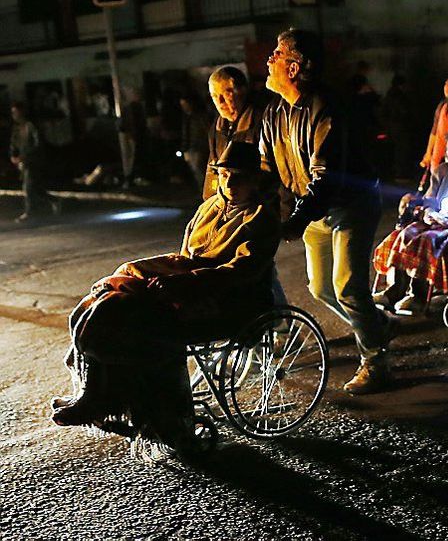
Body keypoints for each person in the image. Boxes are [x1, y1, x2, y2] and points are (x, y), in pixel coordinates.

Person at [52, 141, 280, 453]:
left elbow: (242, 271)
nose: (230, 183)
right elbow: (185, 256)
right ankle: (94, 393)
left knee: (145, 323)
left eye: (238, 177)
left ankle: (169, 421)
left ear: (255, 179)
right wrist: (144, 272)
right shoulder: (209, 207)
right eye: (225, 175)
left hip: (229, 299)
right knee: (103, 301)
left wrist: (184, 283)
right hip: (191, 286)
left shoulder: (261, 217)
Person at [260, 28, 393, 394]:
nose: (269, 59)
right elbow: (266, 171)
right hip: (314, 211)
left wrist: (293, 222)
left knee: (348, 286)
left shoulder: (325, 108)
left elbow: (326, 176)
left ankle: (376, 361)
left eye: (277, 53)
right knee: (320, 288)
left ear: (293, 67)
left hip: (351, 205)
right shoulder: (274, 114)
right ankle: (377, 324)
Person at [373, 127, 448, 313]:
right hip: (436, 220)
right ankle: (393, 291)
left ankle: (418, 297)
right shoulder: (442, 171)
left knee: (428, 240)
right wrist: (427, 211)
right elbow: (430, 198)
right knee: (405, 234)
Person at [204, 66, 268, 200]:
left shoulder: (261, 121)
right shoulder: (217, 128)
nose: (220, 101)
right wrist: (210, 199)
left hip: (253, 201)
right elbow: (212, 169)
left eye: (226, 93)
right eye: (214, 96)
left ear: (242, 91)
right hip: (226, 202)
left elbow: (268, 170)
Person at [9, 101, 60, 223]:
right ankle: (54, 201)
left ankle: (30, 212)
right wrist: (13, 156)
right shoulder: (17, 128)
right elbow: (13, 145)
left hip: (33, 161)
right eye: (13, 113)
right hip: (24, 162)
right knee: (34, 187)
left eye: (16, 112)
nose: (14, 115)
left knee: (28, 187)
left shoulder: (31, 126)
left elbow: (38, 144)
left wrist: (25, 156)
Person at [180, 94, 211, 193]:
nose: (184, 107)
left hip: (199, 146)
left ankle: (205, 189)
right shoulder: (187, 117)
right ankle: (202, 189)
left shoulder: (199, 117)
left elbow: (205, 131)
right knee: (195, 169)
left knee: (199, 168)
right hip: (191, 147)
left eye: (185, 104)